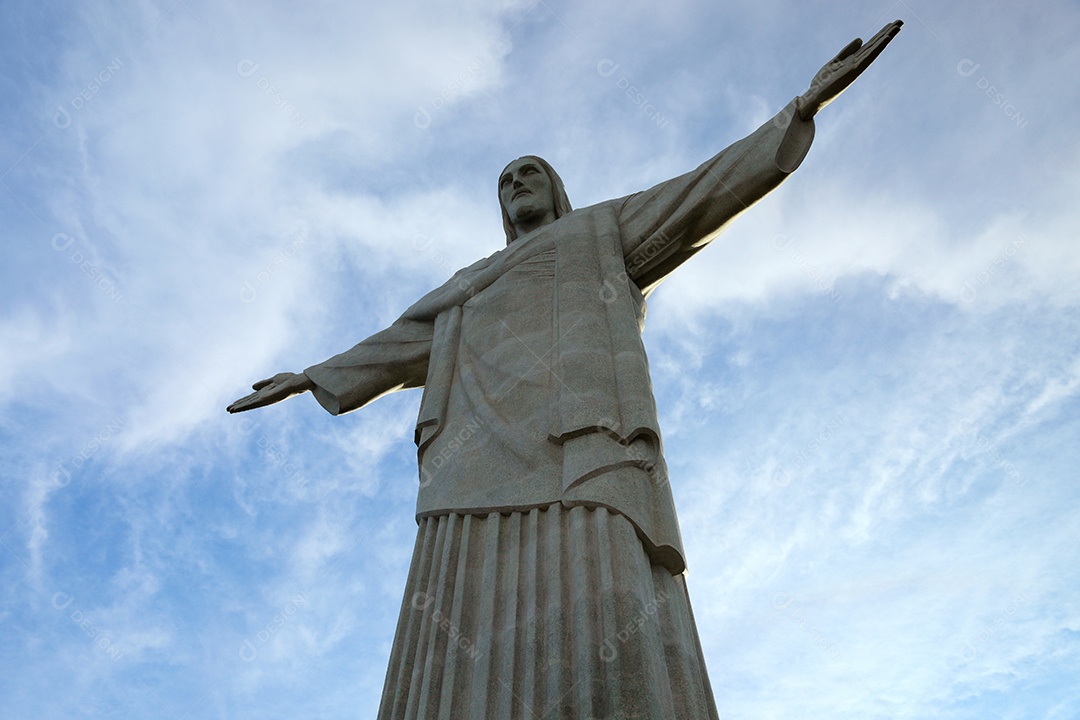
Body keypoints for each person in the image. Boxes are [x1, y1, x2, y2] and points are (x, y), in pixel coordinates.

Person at [229, 20, 901, 719]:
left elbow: (698, 194)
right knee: (458, 615)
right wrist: (312, 375)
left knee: (602, 593)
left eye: (530, 172)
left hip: (581, 441)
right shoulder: (468, 284)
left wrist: (798, 110)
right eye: (505, 180)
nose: (517, 182)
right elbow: (402, 344)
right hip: (471, 461)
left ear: (555, 190)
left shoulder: (598, 232)